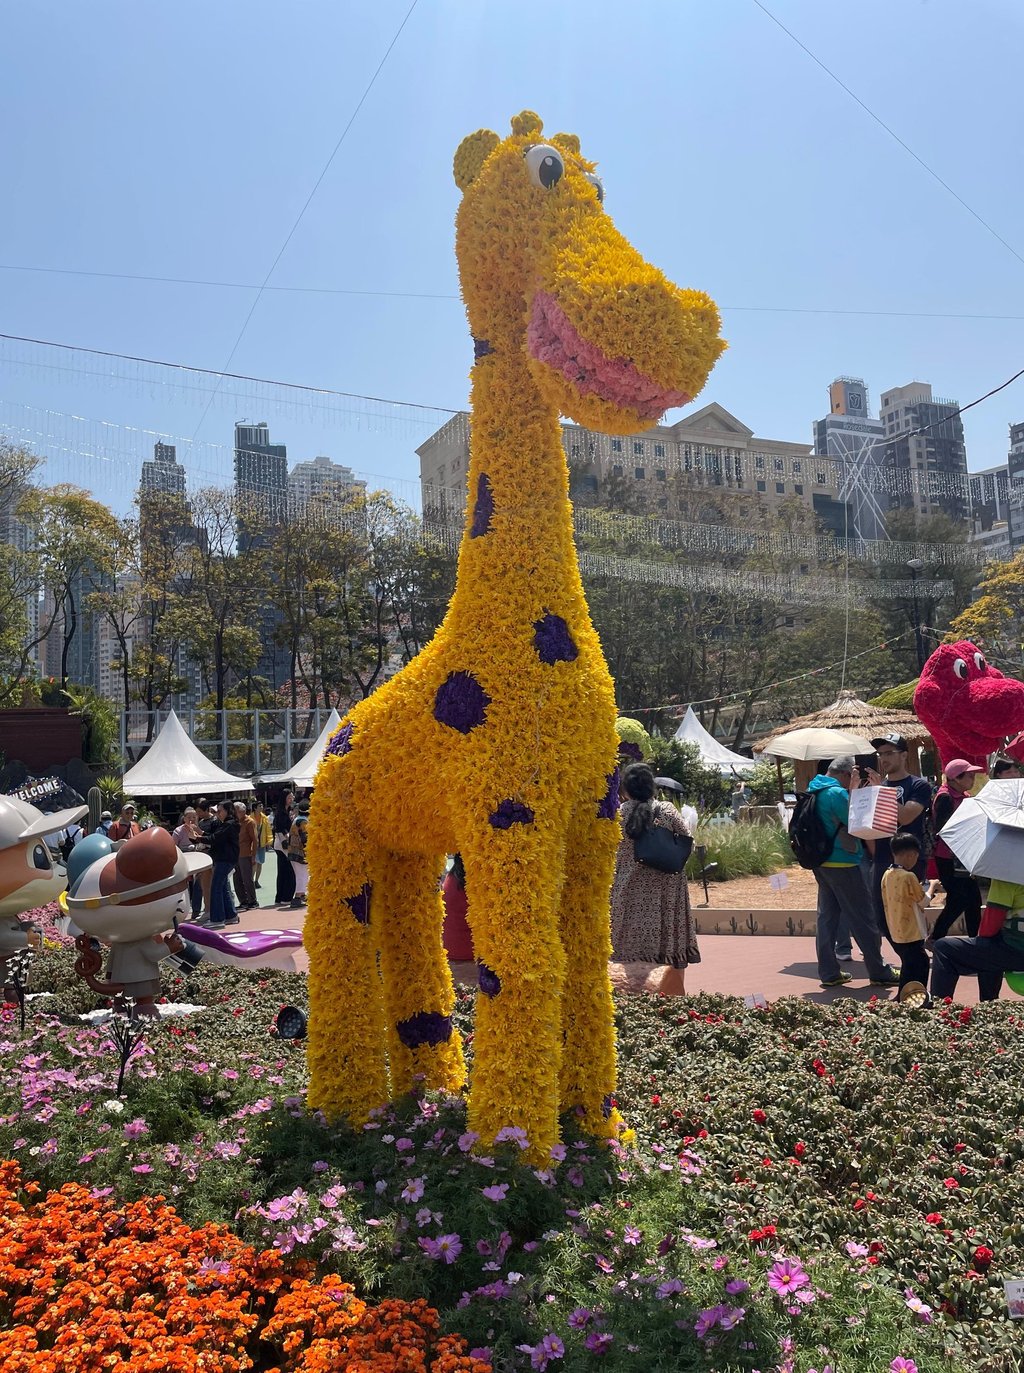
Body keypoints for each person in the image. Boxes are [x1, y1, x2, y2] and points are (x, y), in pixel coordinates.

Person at [807, 757, 900, 990]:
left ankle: (829, 972)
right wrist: (862, 793)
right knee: (863, 918)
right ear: (847, 774)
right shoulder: (835, 794)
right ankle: (879, 971)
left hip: (821, 863)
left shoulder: (813, 790)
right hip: (844, 862)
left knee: (827, 918)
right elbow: (857, 821)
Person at [610, 763, 698, 996]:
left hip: (628, 891)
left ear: (625, 789)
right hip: (667, 892)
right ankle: (674, 997)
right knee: (670, 948)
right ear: (651, 786)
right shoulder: (667, 810)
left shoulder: (618, 815)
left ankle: (629, 995)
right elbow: (688, 843)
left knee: (625, 947)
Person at [864, 734, 933, 940]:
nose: (883, 759)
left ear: (904, 755)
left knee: (908, 916)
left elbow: (906, 816)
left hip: (909, 859)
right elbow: (865, 825)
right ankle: (907, 955)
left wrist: (881, 791)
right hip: (882, 858)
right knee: (881, 918)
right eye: (880, 754)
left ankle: (915, 956)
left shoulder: (918, 785)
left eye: (889, 753)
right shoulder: (876, 786)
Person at [931, 873, 1024, 1002]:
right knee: (990, 947)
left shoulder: (1007, 876)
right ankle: (990, 1003)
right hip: (1013, 951)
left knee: (943, 948)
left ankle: (940, 1007)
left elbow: (989, 929)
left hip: (1016, 951)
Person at [930, 759, 984, 942]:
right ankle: (936, 936)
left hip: (963, 856)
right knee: (959, 899)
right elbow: (943, 829)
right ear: (955, 778)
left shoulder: (964, 796)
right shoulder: (945, 798)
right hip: (949, 858)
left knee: (973, 900)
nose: (973, 779)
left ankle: (974, 941)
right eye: (969, 775)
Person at [880, 832, 931, 1002]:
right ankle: (916, 998)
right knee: (920, 965)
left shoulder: (887, 874)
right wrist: (932, 887)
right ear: (911, 855)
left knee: (909, 965)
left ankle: (905, 997)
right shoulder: (909, 876)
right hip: (912, 931)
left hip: (896, 929)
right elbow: (923, 901)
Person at [207, 801, 240, 928]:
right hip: (226, 859)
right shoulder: (228, 824)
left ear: (227, 811)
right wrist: (199, 834)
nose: (217, 813)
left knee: (216, 887)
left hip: (225, 859)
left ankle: (217, 919)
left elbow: (215, 838)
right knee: (223, 887)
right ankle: (230, 915)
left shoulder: (228, 824)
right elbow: (215, 837)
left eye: (220, 811)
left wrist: (198, 836)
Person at [172, 807, 205, 920]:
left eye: (194, 817)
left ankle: (197, 909)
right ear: (184, 818)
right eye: (189, 817)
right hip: (185, 859)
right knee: (186, 884)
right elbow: (173, 847)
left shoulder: (199, 829)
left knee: (199, 884)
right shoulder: (178, 831)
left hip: (198, 857)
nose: (192, 820)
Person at [233, 801, 258, 910]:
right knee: (237, 879)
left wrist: (253, 855)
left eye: (237, 811)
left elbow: (255, 840)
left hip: (246, 853)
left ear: (243, 811)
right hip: (235, 854)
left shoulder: (249, 822)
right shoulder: (235, 822)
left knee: (247, 878)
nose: (235, 813)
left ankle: (253, 901)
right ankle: (243, 901)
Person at [273, 792, 296, 907]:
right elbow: (281, 829)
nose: (291, 799)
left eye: (292, 797)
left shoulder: (285, 811)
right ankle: (286, 897)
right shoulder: (282, 813)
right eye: (289, 797)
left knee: (282, 871)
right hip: (284, 844)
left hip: (279, 844)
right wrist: (288, 839)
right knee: (289, 871)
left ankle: (280, 897)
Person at [287, 813, 309, 909]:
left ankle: (303, 895)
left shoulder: (296, 820)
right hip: (300, 854)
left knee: (300, 875)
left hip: (292, 851)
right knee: (302, 876)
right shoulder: (304, 822)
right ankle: (297, 898)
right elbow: (305, 839)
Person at [252, 800, 273, 890]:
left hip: (262, 843)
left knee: (260, 863)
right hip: (253, 844)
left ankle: (256, 881)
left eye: (262, 806)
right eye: (259, 806)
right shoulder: (250, 818)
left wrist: (269, 841)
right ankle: (251, 881)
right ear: (255, 808)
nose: (261, 807)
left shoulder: (264, 818)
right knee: (254, 863)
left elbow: (268, 830)